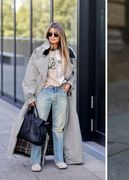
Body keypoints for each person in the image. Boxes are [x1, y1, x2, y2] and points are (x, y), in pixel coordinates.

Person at [7, 22, 84, 172]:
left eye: (56, 34)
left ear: (61, 35)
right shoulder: (39, 52)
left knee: (58, 129)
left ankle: (59, 159)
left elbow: (72, 73)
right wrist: (31, 97)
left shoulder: (68, 52)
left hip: (61, 93)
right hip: (44, 93)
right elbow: (29, 76)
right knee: (38, 127)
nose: (53, 37)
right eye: (50, 34)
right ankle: (36, 161)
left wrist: (69, 83)